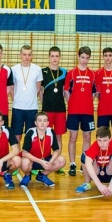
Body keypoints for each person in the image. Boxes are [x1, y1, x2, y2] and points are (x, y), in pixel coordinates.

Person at [64, 46, 96, 177]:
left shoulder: (92, 74)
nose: (84, 60)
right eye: (82, 57)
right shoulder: (71, 73)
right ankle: (72, 164)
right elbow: (66, 91)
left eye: (87, 58)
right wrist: (72, 103)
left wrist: (86, 102)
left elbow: (94, 93)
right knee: (73, 137)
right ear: (78, 57)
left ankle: (85, 162)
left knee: (87, 137)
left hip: (88, 111)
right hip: (73, 111)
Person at [75, 126, 112, 196]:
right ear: (96, 139)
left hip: (110, 173)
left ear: (110, 139)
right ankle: (87, 183)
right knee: (85, 157)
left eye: (105, 140)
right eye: (99, 140)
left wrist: (111, 185)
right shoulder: (95, 146)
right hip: (97, 173)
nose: (102, 144)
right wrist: (99, 185)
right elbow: (88, 163)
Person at [19, 112, 66, 188]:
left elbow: (56, 150)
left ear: (48, 123)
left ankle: (42, 175)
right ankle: (27, 175)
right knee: (24, 162)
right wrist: (41, 162)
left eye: (45, 121)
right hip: (32, 160)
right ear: (36, 123)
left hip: (45, 159)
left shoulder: (51, 132)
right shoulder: (31, 133)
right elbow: (24, 153)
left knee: (61, 160)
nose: (42, 123)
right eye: (40, 120)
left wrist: (50, 162)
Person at [40, 46, 67, 174]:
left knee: (58, 137)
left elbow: (65, 92)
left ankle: (57, 164)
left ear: (60, 57)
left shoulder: (64, 72)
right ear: (49, 57)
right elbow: (40, 91)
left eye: (57, 56)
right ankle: (43, 162)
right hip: (47, 110)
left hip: (60, 109)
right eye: (52, 56)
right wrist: (44, 103)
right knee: (45, 137)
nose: (54, 58)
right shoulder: (43, 72)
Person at [11, 45, 43, 143]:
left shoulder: (37, 69)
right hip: (17, 107)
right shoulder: (14, 69)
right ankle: (17, 153)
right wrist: (16, 100)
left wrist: (30, 99)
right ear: (20, 55)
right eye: (24, 54)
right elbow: (11, 88)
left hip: (32, 108)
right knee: (17, 135)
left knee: (31, 135)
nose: (27, 57)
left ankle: (28, 153)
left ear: (32, 56)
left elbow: (38, 88)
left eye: (29, 55)